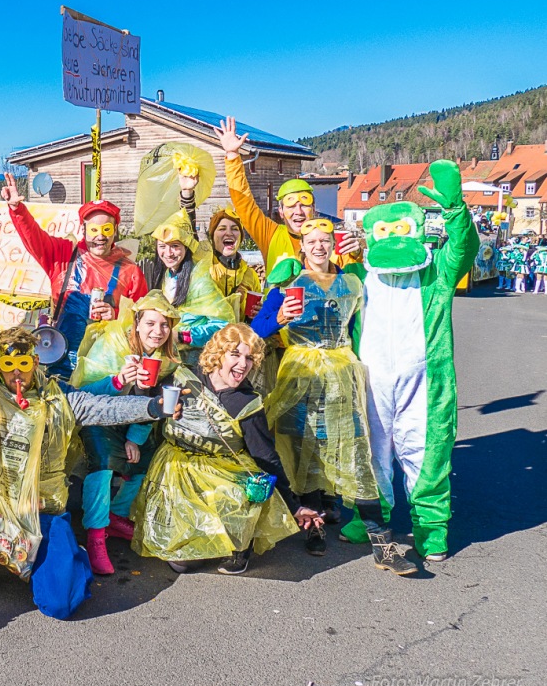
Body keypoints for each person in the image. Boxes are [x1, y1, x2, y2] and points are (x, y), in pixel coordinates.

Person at [0, 300, 180, 618]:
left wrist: (152, 408)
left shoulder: (61, 399)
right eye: (8, 365)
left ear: (36, 361)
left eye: (24, 363)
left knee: (60, 604)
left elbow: (106, 407)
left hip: (45, 510)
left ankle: (62, 557)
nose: (17, 372)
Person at [338, 163, 479, 563]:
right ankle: (367, 518)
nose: (394, 240)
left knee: (426, 451)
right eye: (384, 232)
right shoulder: (359, 274)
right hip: (372, 380)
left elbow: (465, 248)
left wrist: (455, 211)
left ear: (416, 231)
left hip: (425, 382)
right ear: (369, 237)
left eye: (401, 230)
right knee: (370, 450)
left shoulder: (437, 271)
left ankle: (430, 529)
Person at [251, 221, 407, 572]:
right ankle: (314, 524)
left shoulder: (353, 281)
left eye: (325, 240)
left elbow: (371, 328)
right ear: (301, 247)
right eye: (311, 241)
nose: (319, 246)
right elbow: (256, 330)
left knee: (354, 449)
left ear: (334, 244)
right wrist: (277, 318)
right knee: (302, 448)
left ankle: (379, 536)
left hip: (340, 374)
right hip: (299, 374)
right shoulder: (286, 285)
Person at [130, 324, 319, 575]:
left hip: (224, 472)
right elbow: (144, 403)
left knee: (234, 495)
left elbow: (265, 456)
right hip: (178, 468)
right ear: (217, 354)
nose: (243, 364)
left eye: (250, 358)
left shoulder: (247, 403)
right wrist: (138, 385)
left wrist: (294, 505)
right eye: (235, 354)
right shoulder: (182, 378)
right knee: (183, 563)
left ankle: (240, 544)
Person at [69, 290, 181, 575]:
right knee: (104, 467)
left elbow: (156, 404)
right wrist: (118, 380)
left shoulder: (166, 358)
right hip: (98, 418)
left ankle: (114, 516)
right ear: (137, 323)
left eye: (165, 325)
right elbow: (81, 395)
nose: (158, 331)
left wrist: (135, 438)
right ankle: (95, 536)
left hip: (134, 422)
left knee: (146, 463)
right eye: (151, 323)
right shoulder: (113, 343)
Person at [2, 173, 148, 379]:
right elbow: (34, 237)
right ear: (83, 229)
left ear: (115, 231)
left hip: (105, 367)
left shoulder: (130, 271)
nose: (100, 236)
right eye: (94, 229)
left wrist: (116, 317)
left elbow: (144, 322)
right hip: (58, 358)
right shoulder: (63, 255)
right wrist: (18, 210)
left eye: (107, 229)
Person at [215, 116, 362, 267]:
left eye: (304, 205)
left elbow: (352, 282)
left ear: (313, 208)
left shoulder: (330, 241)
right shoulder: (270, 234)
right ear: (281, 212)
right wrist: (232, 155)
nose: (298, 211)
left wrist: (356, 256)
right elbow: (244, 204)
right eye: (291, 206)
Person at [139, 212, 236, 369]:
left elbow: (225, 325)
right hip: (172, 356)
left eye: (175, 246)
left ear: (187, 247)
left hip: (197, 360)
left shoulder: (199, 281)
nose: (168, 253)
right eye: (162, 247)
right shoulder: (166, 275)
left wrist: (184, 336)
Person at [206, 205, 264, 310]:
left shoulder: (250, 275)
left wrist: (256, 315)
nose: (229, 233)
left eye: (235, 229)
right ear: (212, 237)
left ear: (241, 237)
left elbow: (256, 318)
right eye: (222, 229)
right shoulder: (205, 269)